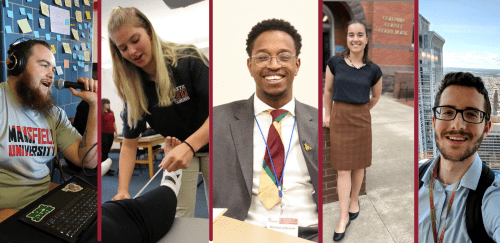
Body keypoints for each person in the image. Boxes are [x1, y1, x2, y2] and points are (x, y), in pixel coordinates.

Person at [213, 19, 318, 241]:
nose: (273, 65)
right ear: (250, 65)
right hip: (245, 234)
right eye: (262, 57)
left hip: (310, 232)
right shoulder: (218, 119)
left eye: (284, 56)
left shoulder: (320, 122)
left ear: (297, 65)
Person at [107, 6, 209, 218]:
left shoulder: (188, 59)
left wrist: (190, 145)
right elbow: (129, 144)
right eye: (123, 48)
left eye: (135, 40)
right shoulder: (134, 88)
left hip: (214, 141)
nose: (132, 52)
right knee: (180, 214)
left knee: (223, 211)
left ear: (149, 31)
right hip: (179, 149)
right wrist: (123, 191)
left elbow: (221, 112)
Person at [0, 39, 97, 217]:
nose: (52, 75)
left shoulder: (53, 114)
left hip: (43, 206)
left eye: (52, 69)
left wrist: (94, 105)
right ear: (17, 65)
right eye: (44, 65)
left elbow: (88, 161)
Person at [418, 72, 500, 243]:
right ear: (434, 122)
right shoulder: (414, 178)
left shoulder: (492, 197)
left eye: (471, 114)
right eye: (448, 112)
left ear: (486, 129)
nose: (458, 125)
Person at [323, 20, 383, 241]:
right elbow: (327, 91)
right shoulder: (335, 63)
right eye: (351, 35)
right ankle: (342, 217)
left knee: (359, 165)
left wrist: (363, 110)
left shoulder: (373, 70)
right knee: (342, 169)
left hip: (361, 119)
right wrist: (328, 115)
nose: (355, 39)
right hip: (340, 118)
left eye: (360, 35)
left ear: (366, 39)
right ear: (346, 38)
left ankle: (355, 200)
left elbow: (376, 96)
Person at [101, 98, 117, 176]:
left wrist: (116, 133)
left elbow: (114, 123)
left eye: (109, 103)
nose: (108, 105)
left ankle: (107, 168)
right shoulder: (100, 113)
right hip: (103, 134)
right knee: (104, 152)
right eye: (107, 103)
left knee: (107, 151)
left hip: (111, 133)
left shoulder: (111, 112)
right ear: (103, 104)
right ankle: (105, 169)